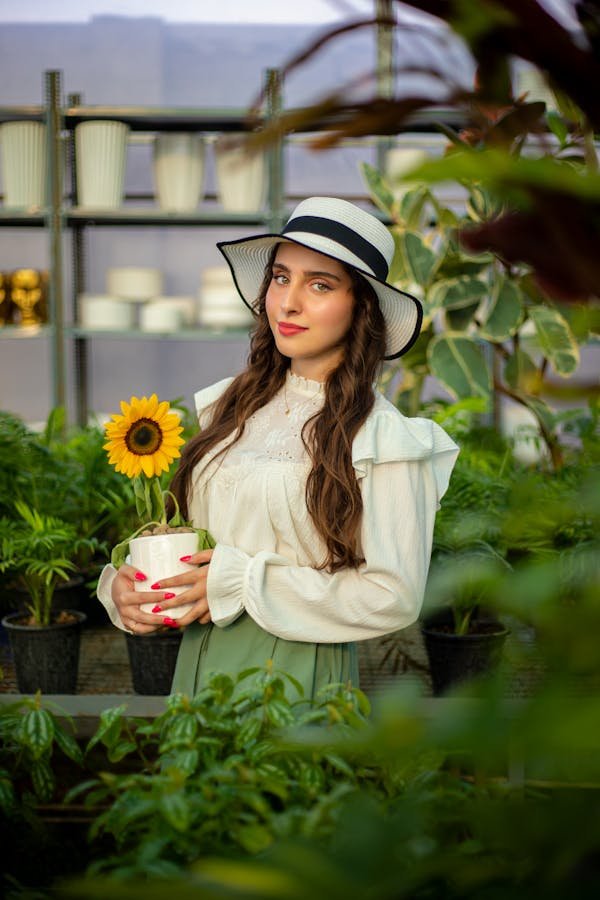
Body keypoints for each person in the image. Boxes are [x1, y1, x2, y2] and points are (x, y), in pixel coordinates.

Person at [97, 196, 459, 698]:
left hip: (295, 676)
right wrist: (127, 587)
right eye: (282, 277)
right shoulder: (227, 407)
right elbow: (198, 543)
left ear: (362, 307)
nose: (288, 303)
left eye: (320, 284)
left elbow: (391, 597)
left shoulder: (384, 437)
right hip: (195, 669)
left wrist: (244, 583)